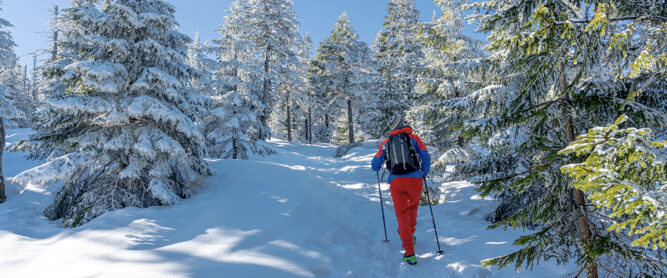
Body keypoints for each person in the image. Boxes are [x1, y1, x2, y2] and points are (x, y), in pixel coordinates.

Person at [371, 116, 431, 265]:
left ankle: (409, 252)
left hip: (396, 181)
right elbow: (425, 157)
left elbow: (375, 165)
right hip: (415, 180)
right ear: (401, 124)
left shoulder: (386, 143)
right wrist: (424, 172)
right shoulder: (414, 138)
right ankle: (410, 235)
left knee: (402, 214)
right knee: (413, 208)